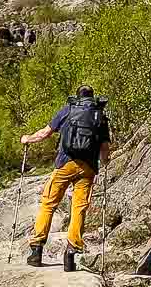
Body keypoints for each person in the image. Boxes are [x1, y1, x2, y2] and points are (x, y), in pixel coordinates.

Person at [21, 85, 112, 271]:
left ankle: (36, 250)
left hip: (65, 164)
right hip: (88, 168)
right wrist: (105, 162)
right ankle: (70, 255)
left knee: (49, 203)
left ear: (77, 96)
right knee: (79, 208)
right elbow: (104, 148)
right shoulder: (99, 115)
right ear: (92, 97)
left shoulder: (68, 110)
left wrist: (27, 139)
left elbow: (45, 133)